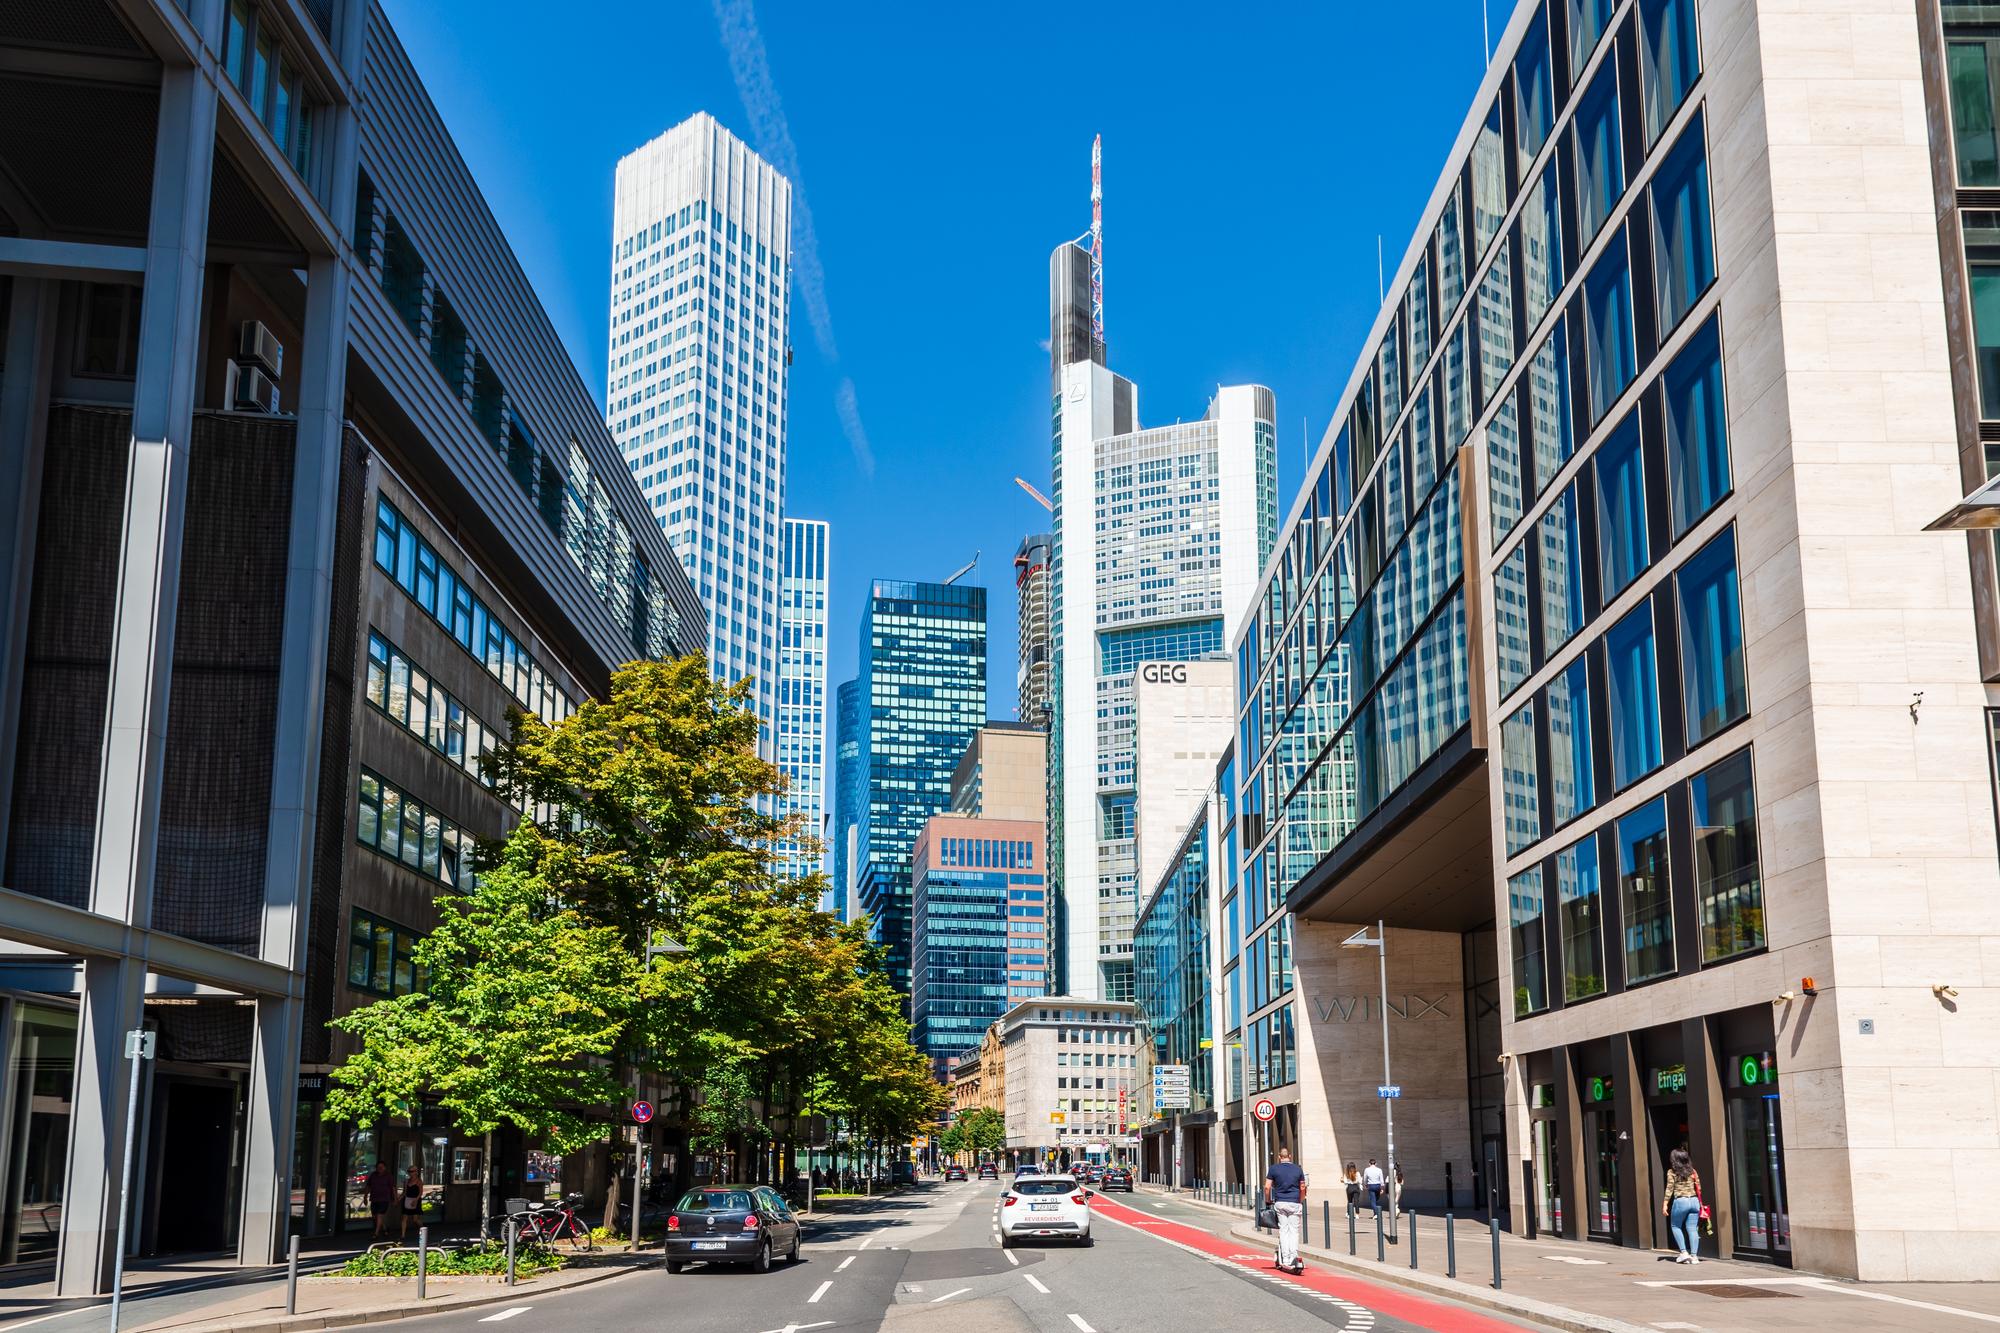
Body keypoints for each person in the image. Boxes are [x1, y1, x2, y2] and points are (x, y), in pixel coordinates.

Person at [1264, 1146, 1308, 1275]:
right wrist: (1300, 1199)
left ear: (1279, 1157)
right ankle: (1293, 1256)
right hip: (1294, 1202)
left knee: (1283, 1230)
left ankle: (1286, 1258)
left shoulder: (1273, 1169)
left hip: (1280, 1203)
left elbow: (1267, 1187)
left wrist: (1268, 1200)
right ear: (1290, 1156)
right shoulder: (1298, 1169)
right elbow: (1303, 1187)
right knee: (1294, 1231)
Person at [1662, 1147, 1703, 1263]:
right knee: (1692, 1229)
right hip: (1694, 1201)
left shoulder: (1672, 1172)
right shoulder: (1693, 1171)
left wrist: (1665, 1204)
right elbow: (1699, 1188)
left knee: (1675, 1226)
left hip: (1681, 1201)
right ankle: (1694, 1256)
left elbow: (1669, 1189)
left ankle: (1684, 1252)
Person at [365, 1160, 395, 1239]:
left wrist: (394, 1198)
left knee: (379, 1215)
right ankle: (384, 1228)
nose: (380, 1168)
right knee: (375, 1216)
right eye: (378, 1167)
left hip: (384, 1199)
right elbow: (368, 1186)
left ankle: (376, 1233)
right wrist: (365, 1196)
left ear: (385, 1168)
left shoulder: (388, 1176)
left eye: (381, 1167)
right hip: (374, 1198)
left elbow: (392, 1188)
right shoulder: (373, 1175)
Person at [399, 1162, 423, 1239]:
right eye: (409, 1171)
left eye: (412, 1171)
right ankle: (403, 1235)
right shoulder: (406, 1181)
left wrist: (416, 1200)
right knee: (404, 1217)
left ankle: (423, 1229)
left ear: (416, 1172)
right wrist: (398, 1199)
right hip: (407, 1200)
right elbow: (404, 1192)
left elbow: (420, 1192)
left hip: (415, 1200)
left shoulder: (419, 1181)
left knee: (415, 1219)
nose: (410, 1173)